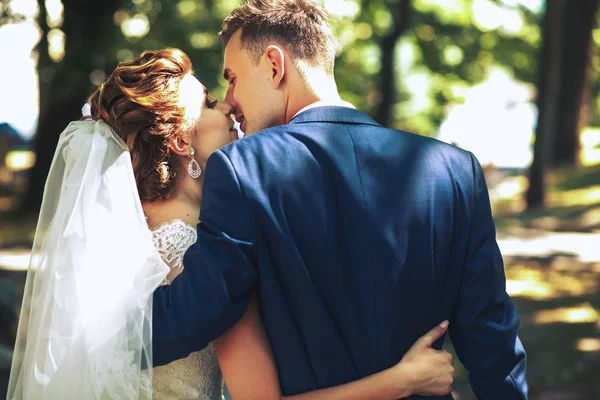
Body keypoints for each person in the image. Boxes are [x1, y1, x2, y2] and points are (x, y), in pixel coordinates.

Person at [7, 48, 454, 399]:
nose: (228, 107)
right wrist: (404, 379)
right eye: (209, 102)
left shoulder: (127, 230)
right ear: (182, 140)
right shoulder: (206, 245)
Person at [152, 0, 529, 399]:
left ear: (275, 65)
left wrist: (94, 331)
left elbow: (196, 312)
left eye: (233, 78)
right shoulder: (454, 171)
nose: (231, 99)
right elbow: (493, 343)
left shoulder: (244, 168)